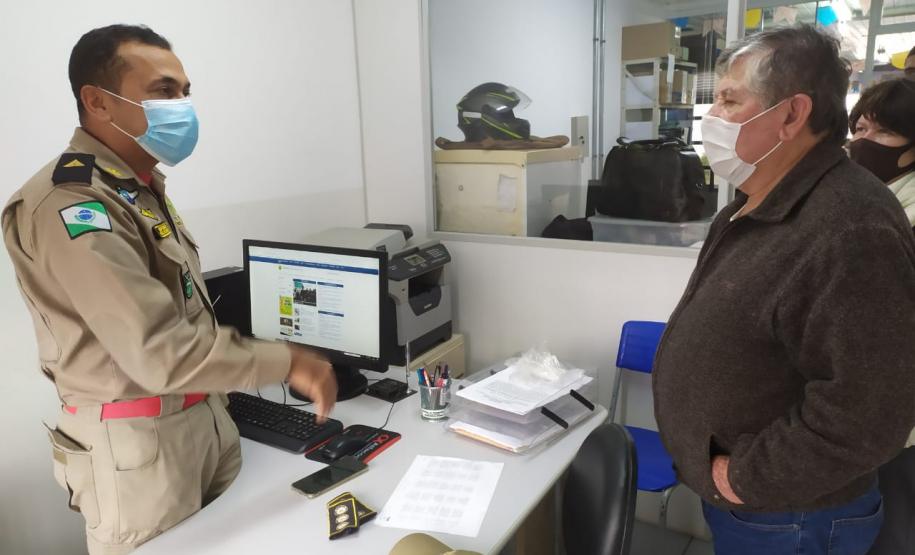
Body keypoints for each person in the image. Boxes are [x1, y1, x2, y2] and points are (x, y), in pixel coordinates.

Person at [2, 25, 337, 554]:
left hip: (203, 421)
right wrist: (289, 361)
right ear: (97, 101)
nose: (181, 107)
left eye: (184, 92)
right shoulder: (73, 202)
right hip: (140, 451)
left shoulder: (138, 188)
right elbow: (158, 351)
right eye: (163, 91)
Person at [652, 25, 915, 555]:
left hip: (793, 517)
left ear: (792, 115)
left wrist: (743, 478)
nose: (712, 117)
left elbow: (870, 411)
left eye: (730, 100)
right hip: (757, 505)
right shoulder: (756, 202)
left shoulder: (850, 228)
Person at [847, 77, 915, 555]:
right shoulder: (872, 195)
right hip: (864, 405)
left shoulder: (904, 214)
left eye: (884, 132)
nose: (864, 141)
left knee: (893, 526)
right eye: (861, 128)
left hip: (899, 413)